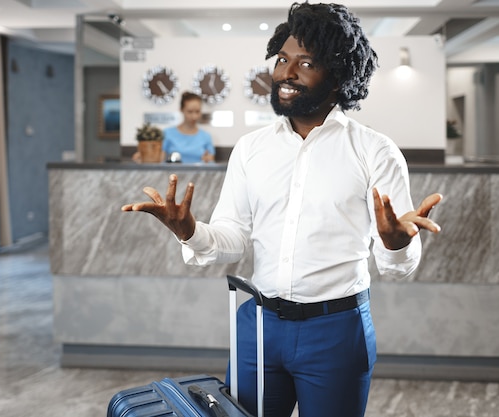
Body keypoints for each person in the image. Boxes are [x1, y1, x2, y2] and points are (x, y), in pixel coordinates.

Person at [122, 2, 442, 416]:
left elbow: (396, 266)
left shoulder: (374, 152)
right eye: (283, 58)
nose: (286, 73)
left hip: (336, 331)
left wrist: (396, 243)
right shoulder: (252, 149)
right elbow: (232, 237)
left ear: (338, 76)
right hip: (258, 327)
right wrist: (191, 231)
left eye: (306, 62)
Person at [162, 91, 215, 163]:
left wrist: (208, 160)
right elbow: (160, 162)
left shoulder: (206, 137)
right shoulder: (167, 134)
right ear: (181, 109)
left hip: (199, 174)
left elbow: (211, 161)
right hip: (173, 173)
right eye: (190, 112)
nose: (194, 116)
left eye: (197, 111)